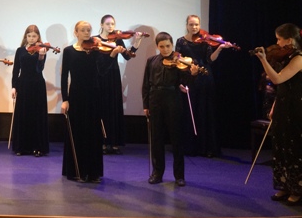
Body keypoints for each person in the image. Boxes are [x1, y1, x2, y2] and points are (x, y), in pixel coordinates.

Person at [253, 23, 302, 206]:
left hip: (295, 108)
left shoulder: (298, 58)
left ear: (289, 40)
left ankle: (297, 189)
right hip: (283, 104)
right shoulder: (287, 57)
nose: (277, 43)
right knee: (281, 147)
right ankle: (284, 185)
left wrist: (263, 60)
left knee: (293, 148)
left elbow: (278, 79)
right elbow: (282, 87)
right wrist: (275, 105)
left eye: (279, 39)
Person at [142, 32, 199, 186]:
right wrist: (146, 105)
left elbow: (186, 82)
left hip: (173, 99)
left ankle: (179, 175)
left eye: (168, 46)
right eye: (162, 46)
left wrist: (193, 74)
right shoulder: (151, 61)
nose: (165, 49)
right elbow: (146, 84)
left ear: (172, 45)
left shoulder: (179, 61)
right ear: (157, 46)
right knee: (156, 139)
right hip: (155, 99)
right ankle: (157, 173)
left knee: (177, 139)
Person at [175, 15, 232, 158]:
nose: (194, 27)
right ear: (186, 25)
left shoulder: (206, 40)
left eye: (196, 24)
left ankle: (206, 147)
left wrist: (220, 48)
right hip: (189, 77)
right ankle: (190, 147)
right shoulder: (181, 41)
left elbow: (209, 60)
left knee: (205, 110)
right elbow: (177, 59)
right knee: (190, 111)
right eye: (191, 24)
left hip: (205, 78)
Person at [60, 21, 107, 183]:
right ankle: (76, 171)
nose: (87, 33)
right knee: (77, 132)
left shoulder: (96, 50)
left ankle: (93, 172)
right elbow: (64, 76)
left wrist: (111, 55)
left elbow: (102, 72)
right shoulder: (68, 51)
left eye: (89, 30)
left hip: (94, 94)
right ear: (76, 33)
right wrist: (65, 99)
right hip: (76, 95)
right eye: (83, 30)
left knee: (93, 133)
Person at [96, 15, 143, 155]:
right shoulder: (95, 40)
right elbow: (96, 61)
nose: (110, 26)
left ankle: (114, 142)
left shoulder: (117, 39)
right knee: (102, 108)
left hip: (113, 76)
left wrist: (137, 42)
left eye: (113, 24)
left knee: (114, 107)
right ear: (102, 25)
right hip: (100, 76)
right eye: (108, 24)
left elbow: (128, 56)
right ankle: (103, 142)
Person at [10, 24, 49, 157]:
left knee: (37, 115)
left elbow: (39, 69)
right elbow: (16, 70)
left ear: (38, 37)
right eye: (29, 36)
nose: (32, 38)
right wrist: (14, 86)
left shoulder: (42, 49)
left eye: (34, 36)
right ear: (26, 36)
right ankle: (21, 147)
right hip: (23, 85)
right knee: (23, 115)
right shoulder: (20, 50)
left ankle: (37, 147)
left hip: (37, 85)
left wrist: (41, 57)